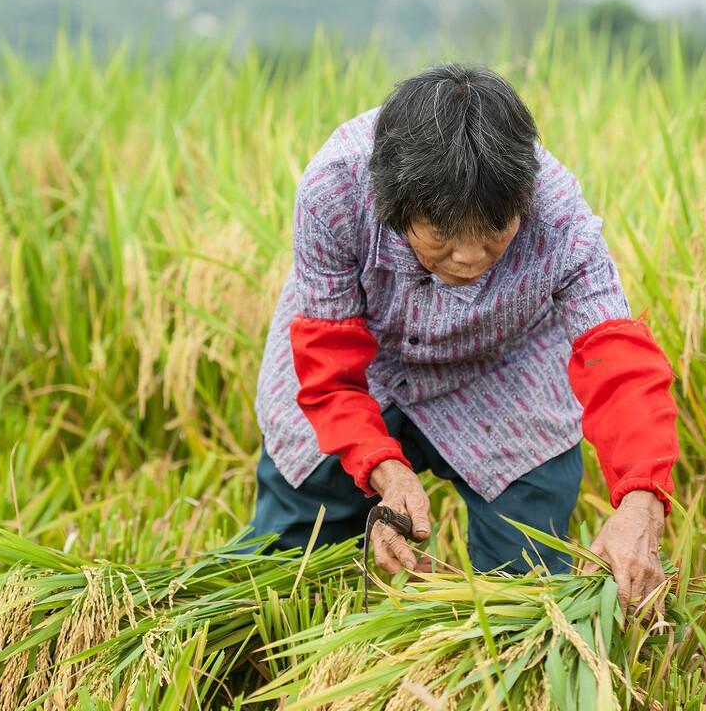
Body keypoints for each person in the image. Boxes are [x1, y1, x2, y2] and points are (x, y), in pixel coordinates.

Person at [243, 63, 680, 614]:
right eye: (443, 237)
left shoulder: (559, 215)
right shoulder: (336, 188)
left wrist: (642, 498)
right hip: (362, 365)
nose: (471, 259)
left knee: (527, 590)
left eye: (495, 234)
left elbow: (618, 360)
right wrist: (383, 464)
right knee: (289, 565)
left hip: (503, 375)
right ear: (393, 206)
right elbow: (327, 358)